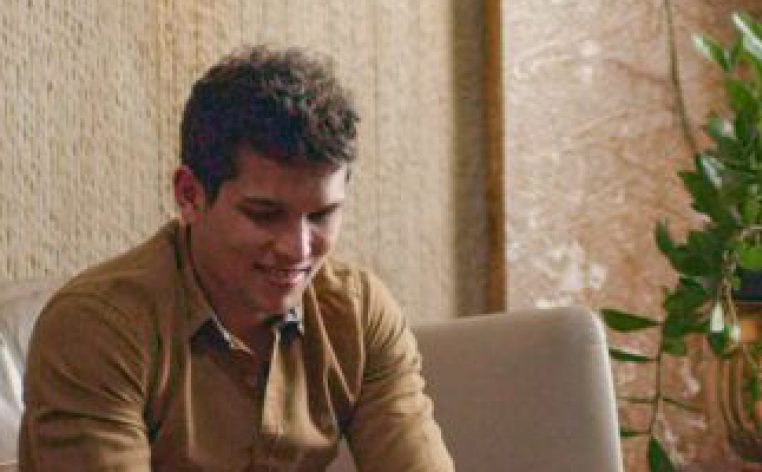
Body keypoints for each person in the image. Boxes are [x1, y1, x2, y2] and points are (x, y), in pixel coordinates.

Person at [18, 46, 454, 471]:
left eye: (321, 215)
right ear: (189, 195)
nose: (299, 249)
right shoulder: (96, 329)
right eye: (265, 214)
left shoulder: (358, 313)